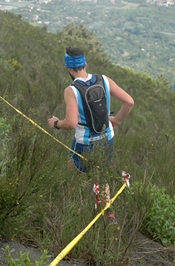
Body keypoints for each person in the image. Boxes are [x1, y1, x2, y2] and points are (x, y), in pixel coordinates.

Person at [48, 47, 134, 222]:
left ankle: (60, 209)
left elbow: (71, 123)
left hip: (85, 143)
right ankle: (108, 215)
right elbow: (129, 101)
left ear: (68, 69)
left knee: (72, 173)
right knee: (101, 174)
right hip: (107, 138)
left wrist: (56, 123)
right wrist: (115, 121)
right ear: (86, 64)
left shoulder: (71, 90)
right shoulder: (104, 80)